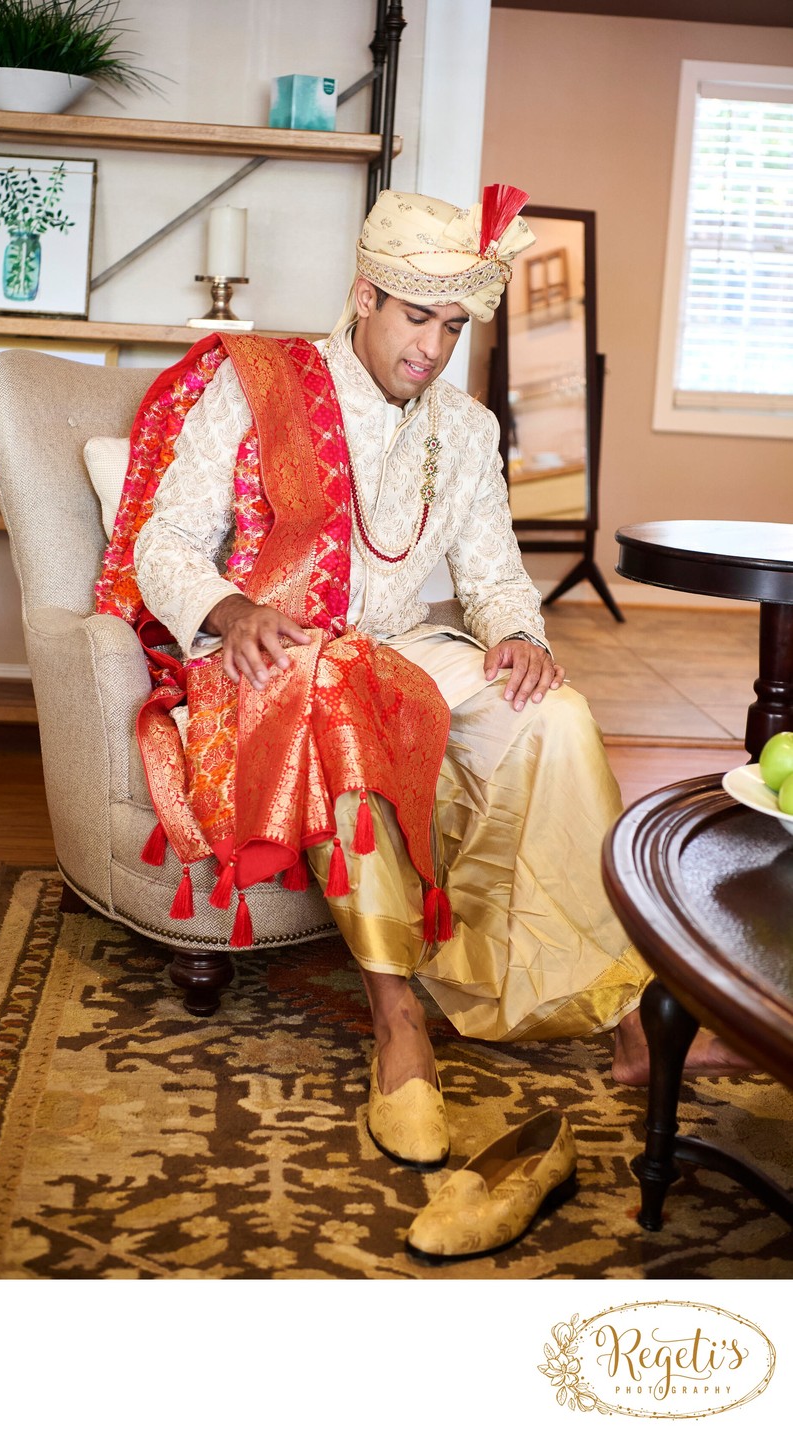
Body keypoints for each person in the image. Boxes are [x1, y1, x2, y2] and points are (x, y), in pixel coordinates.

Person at [128, 186, 745, 1170]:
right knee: (338, 700)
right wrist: (229, 611)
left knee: (554, 715)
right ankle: (397, 1020)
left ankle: (624, 1007)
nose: (433, 346)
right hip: (274, 653)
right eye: (418, 316)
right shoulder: (256, 387)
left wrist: (517, 634)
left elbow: (494, 573)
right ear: (365, 296)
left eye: (454, 325)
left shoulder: (464, 430)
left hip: (402, 647)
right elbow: (164, 540)